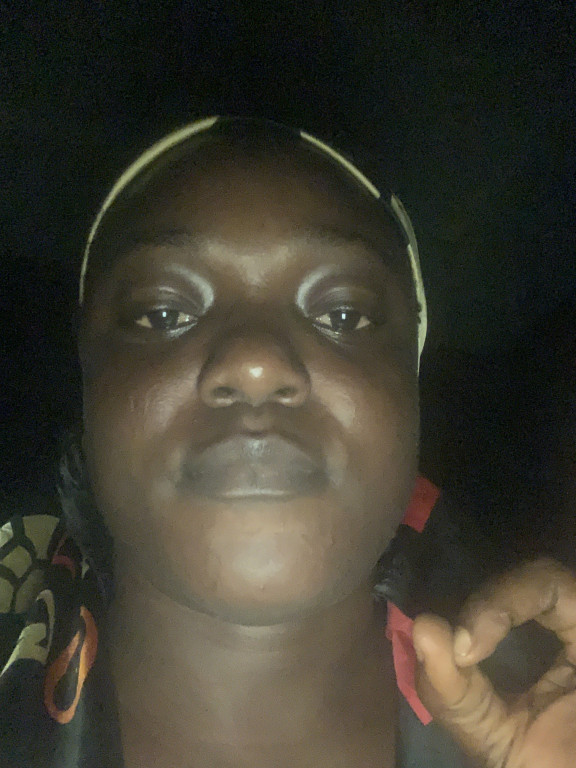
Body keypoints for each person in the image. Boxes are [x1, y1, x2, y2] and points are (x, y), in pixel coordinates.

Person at [0, 116, 574, 768]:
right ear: (88, 375)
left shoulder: (542, 699)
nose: (255, 363)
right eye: (164, 313)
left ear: (410, 379)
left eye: (343, 314)